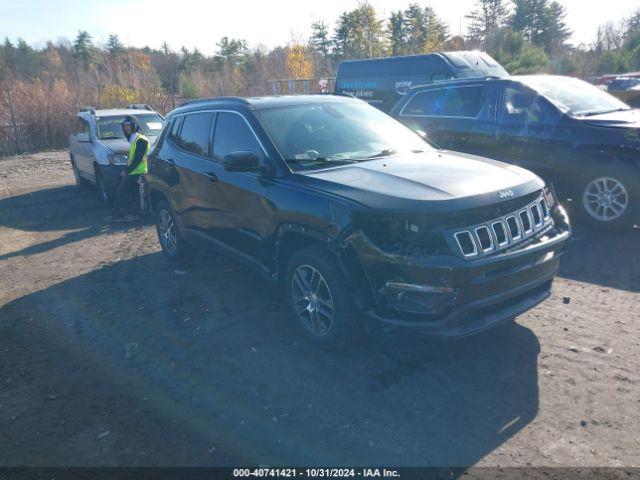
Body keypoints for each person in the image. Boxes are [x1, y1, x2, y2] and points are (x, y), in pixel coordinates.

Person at [112, 115, 150, 221]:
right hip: (134, 171)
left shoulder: (141, 140)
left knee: (122, 191)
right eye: (124, 126)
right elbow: (132, 160)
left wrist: (126, 171)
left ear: (134, 125)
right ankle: (121, 211)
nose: (126, 128)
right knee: (120, 183)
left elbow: (137, 160)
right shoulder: (134, 139)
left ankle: (129, 214)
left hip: (140, 171)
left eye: (128, 125)